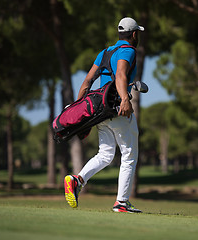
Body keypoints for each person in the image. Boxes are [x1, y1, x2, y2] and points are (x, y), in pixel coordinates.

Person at [64, 17, 144, 213]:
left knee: (106, 154)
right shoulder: (129, 51)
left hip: (100, 113)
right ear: (134, 34)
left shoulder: (105, 52)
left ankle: (77, 180)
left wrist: (80, 112)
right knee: (129, 155)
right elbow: (121, 76)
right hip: (118, 109)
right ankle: (122, 203)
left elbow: (87, 82)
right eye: (138, 33)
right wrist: (125, 99)